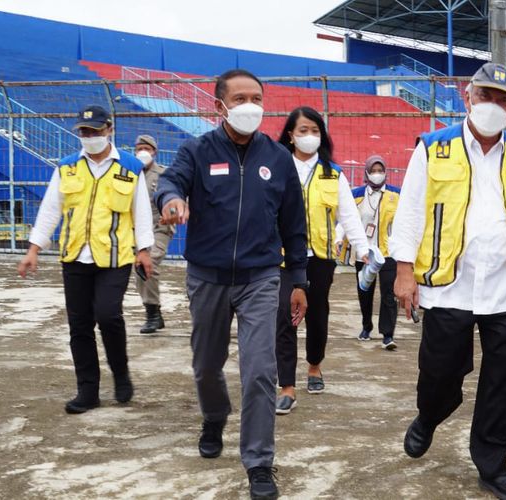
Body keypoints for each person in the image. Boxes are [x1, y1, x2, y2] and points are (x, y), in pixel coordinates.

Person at [391, 63, 506, 500]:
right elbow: (409, 211)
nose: (494, 106)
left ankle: (493, 464)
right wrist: (404, 272)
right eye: (487, 95)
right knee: (440, 374)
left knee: (504, 382)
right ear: (468, 97)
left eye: (504, 100)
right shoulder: (433, 148)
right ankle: (430, 415)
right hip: (449, 286)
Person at [155, 69, 308, 500]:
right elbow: (171, 181)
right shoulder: (197, 150)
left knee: (261, 370)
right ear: (218, 105)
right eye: (239, 98)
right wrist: (171, 199)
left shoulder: (278, 158)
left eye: (256, 97)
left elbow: (294, 224)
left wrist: (298, 279)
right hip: (208, 277)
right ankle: (214, 415)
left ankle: (259, 462)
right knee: (207, 364)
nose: (250, 106)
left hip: (261, 278)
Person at [17, 105, 153, 414]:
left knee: (107, 315)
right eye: (84, 132)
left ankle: (120, 373)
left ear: (109, 130)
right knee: (79, 325)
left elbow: (141, 211)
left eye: (94, 131)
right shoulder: (67, 167)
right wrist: (34, 249)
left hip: (114, 256)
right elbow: (51, 209)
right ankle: (87, 390)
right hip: (75, 256)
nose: (89, 137)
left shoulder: (130, 167)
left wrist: (143, 250)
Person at [274, 106, 369, 415]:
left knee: (317, 314)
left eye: (315, 131)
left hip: (321, 256)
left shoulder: (333, 173)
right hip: (282, 257)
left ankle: (314, 365)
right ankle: (286, 386)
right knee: (282, 316)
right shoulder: (276, 167)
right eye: (303, 131)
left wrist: (362, 248)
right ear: (290, 135)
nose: (309, 136)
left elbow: (348, 215)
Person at [336, 154, 401, 349]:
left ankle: (388, 334)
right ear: (366, 172)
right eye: (373, 171)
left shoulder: (396, 194)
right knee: (365, 291)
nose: (377, 174)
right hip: (363, 253)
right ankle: (366, 326)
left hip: (388, 252)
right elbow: (345, 219)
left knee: (389, 294)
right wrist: (339, 238)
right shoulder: (355, 195)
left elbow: (404, 221)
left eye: (380, 171)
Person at [133, 134, 174, 334]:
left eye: (146, 149)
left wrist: (171, 213)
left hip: (158, 228)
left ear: (154, 152)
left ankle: (153, 315)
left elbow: (175, 198)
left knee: (146, 265)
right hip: (133, 232)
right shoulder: (128, 172)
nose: (142, 152)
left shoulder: (164, 174)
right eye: (139, 148)